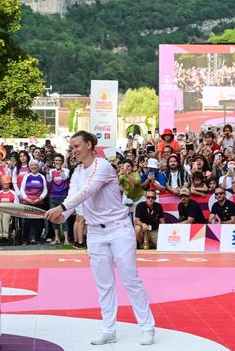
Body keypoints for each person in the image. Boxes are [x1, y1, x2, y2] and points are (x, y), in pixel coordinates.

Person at [45, 130, 155, 346]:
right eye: (72, 146)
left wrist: (62, 208)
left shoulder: (103, 166)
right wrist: (63, 216)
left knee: (130, 279)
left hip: (119, 229)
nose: (73, 150)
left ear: (89, 145)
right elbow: (72, 197)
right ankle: (108, 329)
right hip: (95, 232)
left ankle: (147, 326)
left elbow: (88, 191)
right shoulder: (76, 172)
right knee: (103, 283)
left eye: (77, 146)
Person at [20, 159, 47, 244]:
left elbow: (45, 190)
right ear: (29, 167)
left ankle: (38, 239)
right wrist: (26, 199)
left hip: (38, 202)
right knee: (27, 223)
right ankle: (25, 240)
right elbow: (22, 189)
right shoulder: (26, 176)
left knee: (38, 223)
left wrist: (40, 198)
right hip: (27, 202)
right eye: (32, 165)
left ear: (38, 167)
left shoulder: (42, 177)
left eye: (35, 165)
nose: (34, 167)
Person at [0, 175, 19, 240]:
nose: (5, 184)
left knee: (6, 215)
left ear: (9, 184)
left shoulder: (14, 194)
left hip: (9, 211)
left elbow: (16, 205)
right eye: (4, 183)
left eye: (7, 183)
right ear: (1, 183)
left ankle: (6, 234)